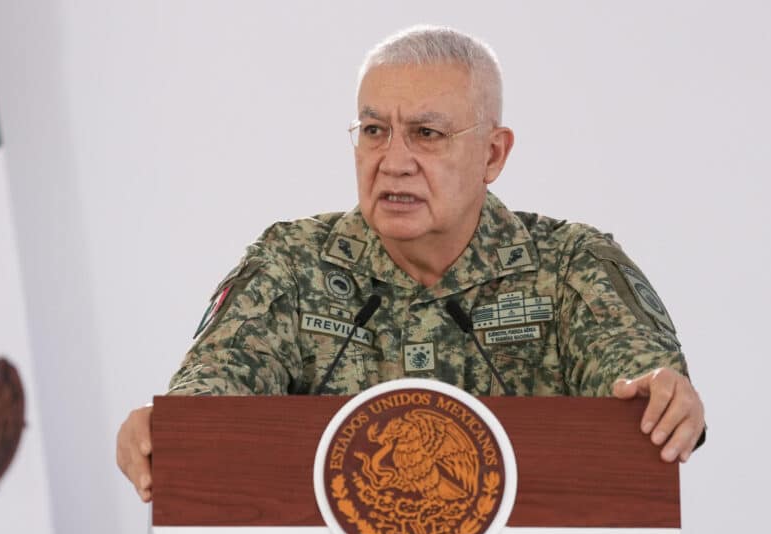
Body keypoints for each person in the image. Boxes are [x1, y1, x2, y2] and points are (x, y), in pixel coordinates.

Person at [116, 25, 706, 503]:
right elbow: (210, 403)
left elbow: (639, 400)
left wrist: (664, 394)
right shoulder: (292, 265)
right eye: (374, 131)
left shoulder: (572, 266)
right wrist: (166, 428)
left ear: (493, 154)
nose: (393, 161)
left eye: (426, 133)